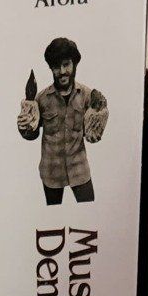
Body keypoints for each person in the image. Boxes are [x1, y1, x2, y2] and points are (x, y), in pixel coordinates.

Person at [17, 38, 107, 206]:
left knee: (90, 211)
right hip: (51, 173)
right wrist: (24, 126)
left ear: (74, 65)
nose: (62, 71)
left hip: (79, 171)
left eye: (66, 64)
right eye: (56, 67)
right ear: (51, 68)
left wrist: (98, 118)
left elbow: (93, 134)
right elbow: (32, 134)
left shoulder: (87, 95)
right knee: (52, 216)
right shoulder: (41, 99)